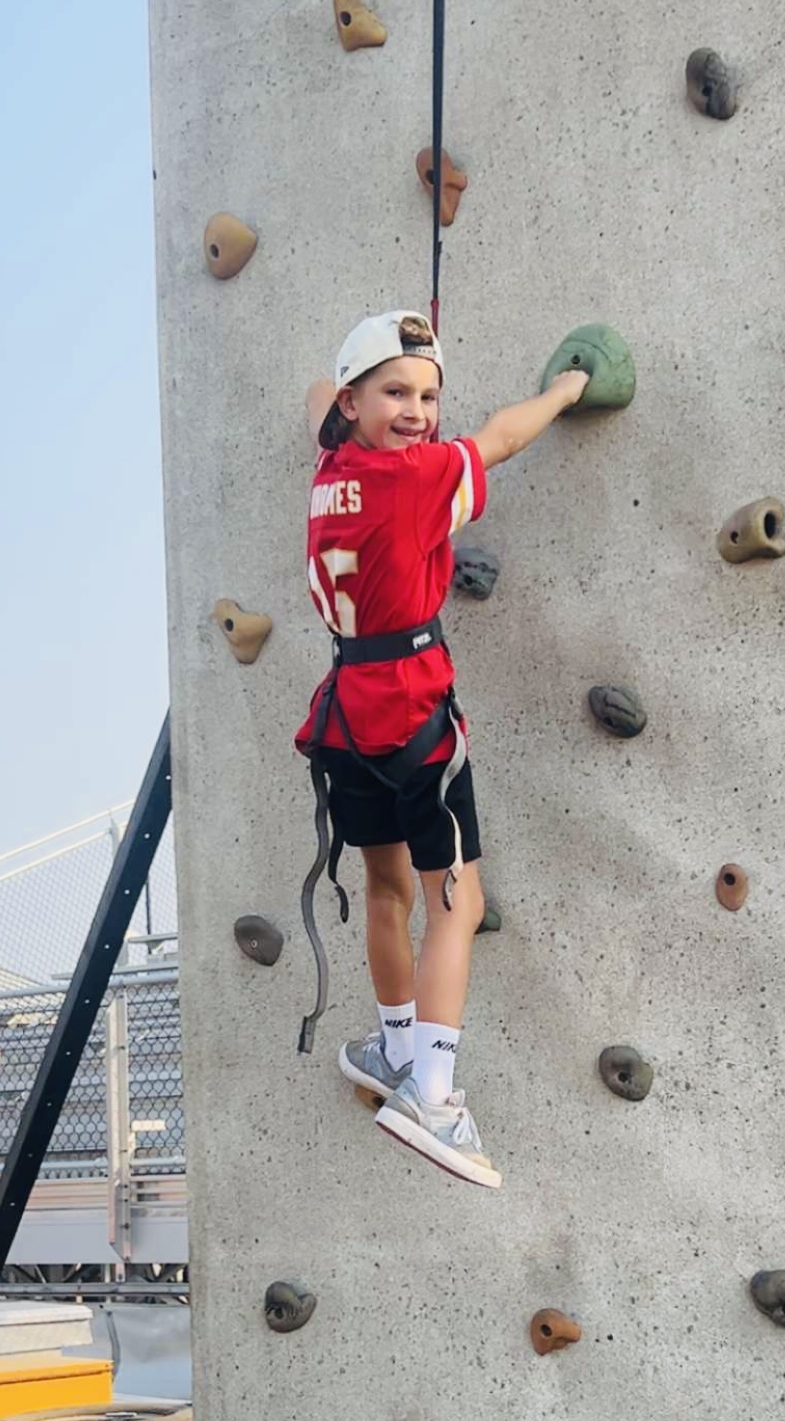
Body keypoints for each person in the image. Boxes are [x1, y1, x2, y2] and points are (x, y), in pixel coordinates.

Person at [297, 308, 587, 1189]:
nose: (420, 411)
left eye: (428, 394)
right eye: (398, 393)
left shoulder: (333, 469)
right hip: (413, 715)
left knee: (385, 891)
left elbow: (314, 394)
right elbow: (500, 437)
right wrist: (567, 389)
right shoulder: (416, 479)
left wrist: (362, 385)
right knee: (455, 903)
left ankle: (391, 1049)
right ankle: (434, 1092)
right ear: (355, 401)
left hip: (345, 715)